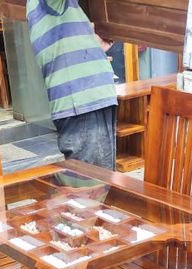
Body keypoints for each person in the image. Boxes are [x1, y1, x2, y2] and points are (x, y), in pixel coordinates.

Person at [26, 0, 118, 169]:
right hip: (83, 101)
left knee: (98, 182)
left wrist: (93, 41)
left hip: (88, 99)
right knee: (92, 185)